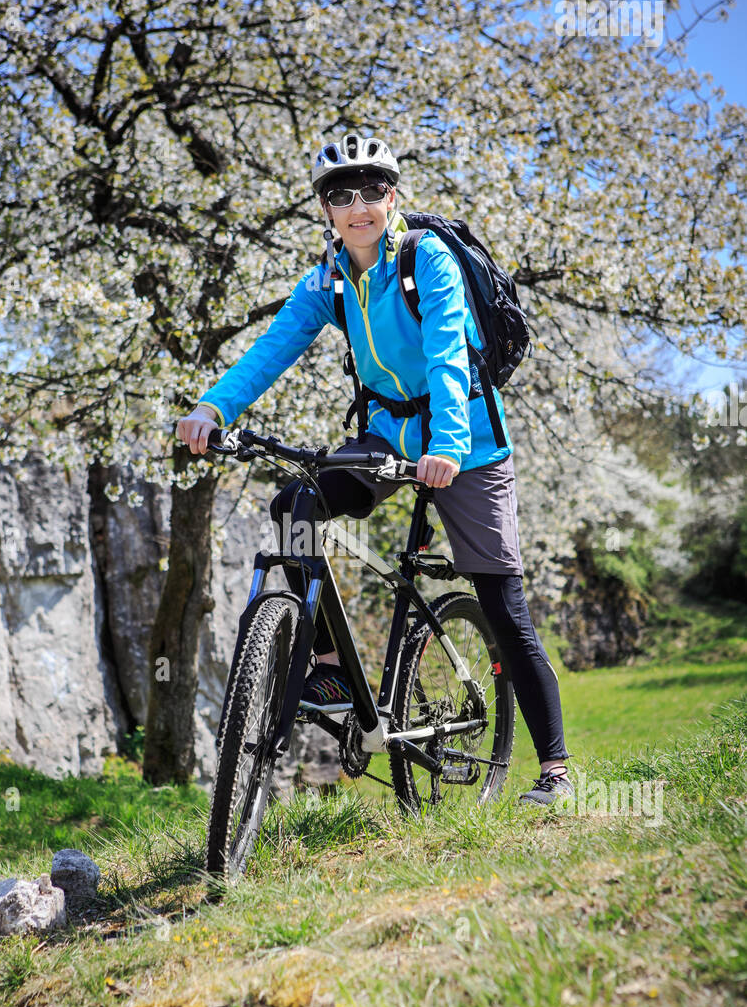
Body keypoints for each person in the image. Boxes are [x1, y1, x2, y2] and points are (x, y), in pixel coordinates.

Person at [177, 132, 573, 805]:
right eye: (341, 194)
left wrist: (445, 445)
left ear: (393, 195)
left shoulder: (430, 259)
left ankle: (556, 770)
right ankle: (328, 664)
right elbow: (274, 349)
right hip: (386, 438)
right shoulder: (327, 278)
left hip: (467, 444)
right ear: (325, 208)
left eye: (372, 190)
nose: (359, 205)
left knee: (504, 607)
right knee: (294, 506)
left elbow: (449, 354)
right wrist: (212, 407)